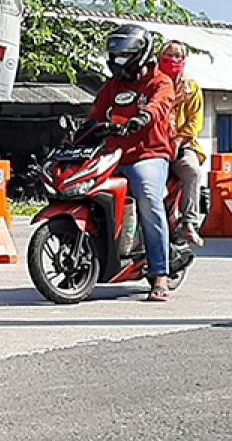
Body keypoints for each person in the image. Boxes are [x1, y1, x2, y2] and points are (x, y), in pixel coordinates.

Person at [87, 24, 176, 302]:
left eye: (124, 55)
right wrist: (83, 130)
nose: (118, 61)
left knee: (149, 199)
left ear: (141, 53)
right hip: (113, 155)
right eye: (115, 55)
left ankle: (160, 273)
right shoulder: (112, 87)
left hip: (149, 154)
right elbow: (95, 115)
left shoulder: (160, 82)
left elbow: (159, 105)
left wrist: (143, 118)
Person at [159, 40, 206, 247]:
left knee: (192, 170)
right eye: (169, 55)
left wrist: (178, 139)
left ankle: (189, 223)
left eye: (178, 56)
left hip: (183, 143)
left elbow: (195, 121)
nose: (173, 59)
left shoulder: (191, 86)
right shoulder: (154, 83)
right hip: (154, 143)